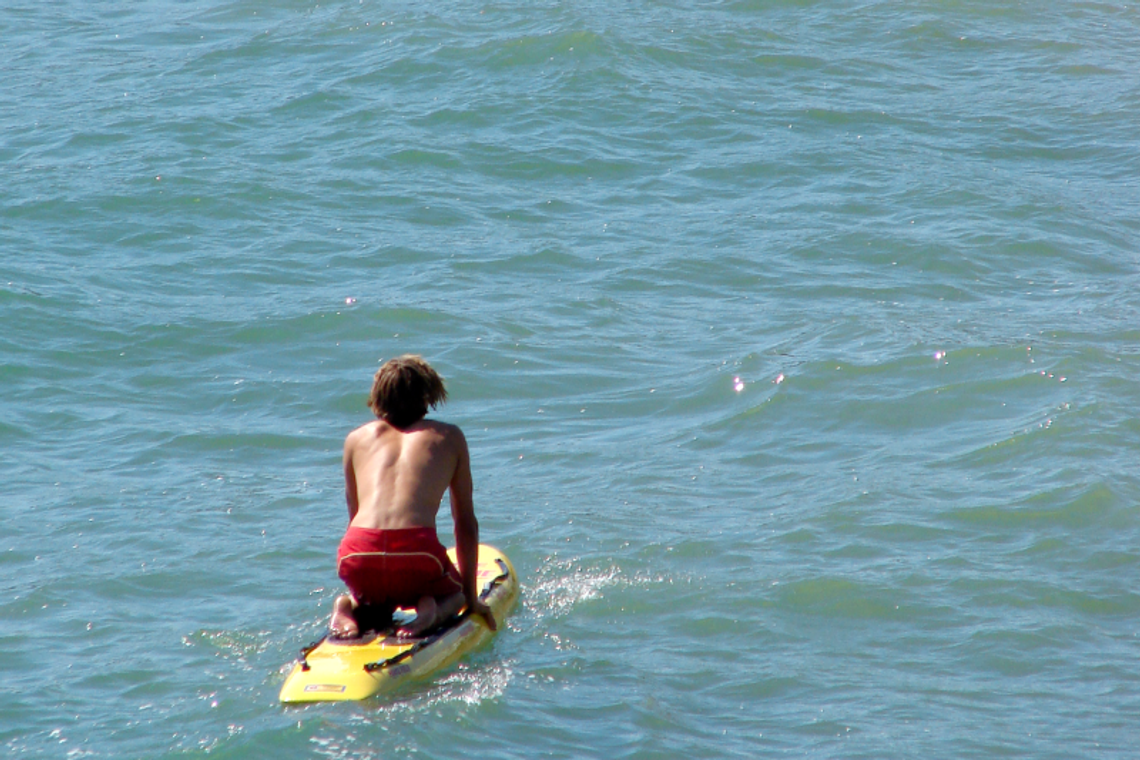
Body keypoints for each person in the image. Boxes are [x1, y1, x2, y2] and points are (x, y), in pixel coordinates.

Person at [329, 355, 496, 639]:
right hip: (416, 552)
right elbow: (465, 523)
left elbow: (354, 515)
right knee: (454, 595)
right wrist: (470, 597)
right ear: (429, 395)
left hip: (357, 551)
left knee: (375, 595)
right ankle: (431, 609)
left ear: (378, 397)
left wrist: (368, 583)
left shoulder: (355, 439)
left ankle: (349, 604)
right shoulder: (449, 437)